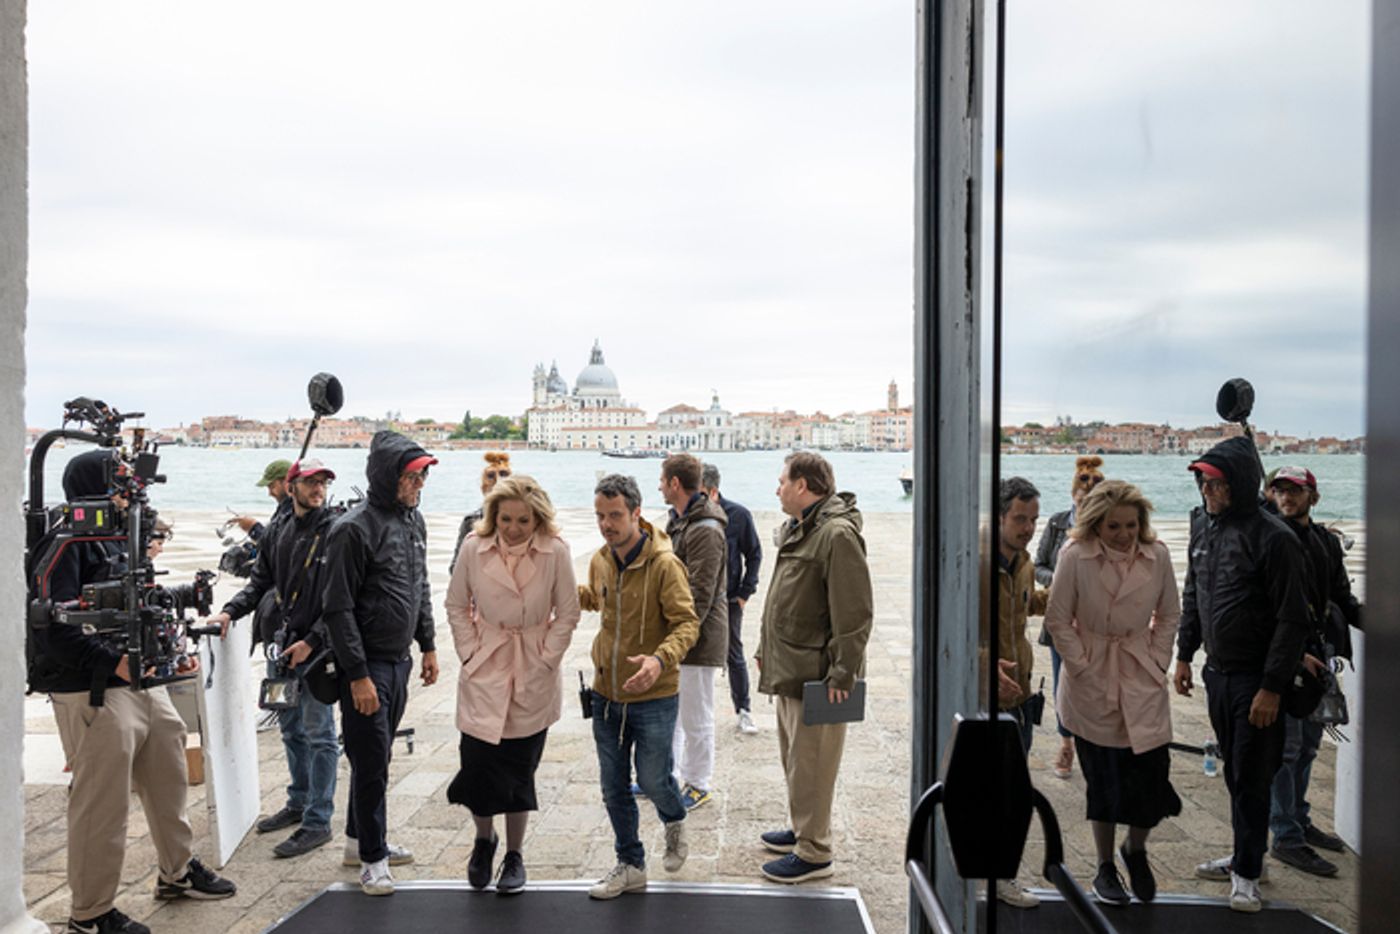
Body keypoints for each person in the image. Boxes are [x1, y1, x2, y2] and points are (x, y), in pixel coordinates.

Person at [29, 450, 236, 934]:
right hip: (91, 688)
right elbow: (50, 629)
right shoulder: (67, 542)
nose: (128, 496)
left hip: (135, 679)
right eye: (120, 486)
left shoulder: (117, 538)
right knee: (102, 805)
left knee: (169, 766)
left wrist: (167, 650)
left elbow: (139, 602)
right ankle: (90, 913)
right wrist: (112, 662)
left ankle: (177, 872)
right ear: (96, 489)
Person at [1173, 436, 1311, 913]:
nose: (1207, 490)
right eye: (1203, 482)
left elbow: (1293, 618)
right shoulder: (1204, 529)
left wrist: (1272, 686)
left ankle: (1248, 873)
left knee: (1252, 775)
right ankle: (1246, 856)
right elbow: (1195, 593)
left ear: (1238, 482)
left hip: (1256, 679)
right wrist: (1184, 653)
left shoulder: (1274, 538)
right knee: (1235, 771)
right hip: (1218, 673)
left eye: (1215, 483)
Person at [1044, 480, 1182, 907]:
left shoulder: (1158, 555)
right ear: (1096, 525)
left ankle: (1135, 848)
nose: (1124, 534)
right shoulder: (1075, 556)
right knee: (1102, 781)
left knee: (1152, 777)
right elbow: (1057, 618)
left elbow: (1170, 613)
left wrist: (1158, 659)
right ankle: (1105, 865)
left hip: (1140, 670)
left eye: (1131, 525)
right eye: (1113, 526)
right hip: (1094, 674)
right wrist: (1082, 665)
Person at [445, 475, 580, 894]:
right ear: (494, 516)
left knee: (520, 770)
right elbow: (456, 604)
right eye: (506, 519)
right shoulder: (474, 548)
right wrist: (469, 651)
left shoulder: (556, 551)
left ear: (537, 518)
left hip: (531, 666)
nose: (514, 528)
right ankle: (483, 840)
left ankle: (515, 854)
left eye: (524, 520)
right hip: (485, 663)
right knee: (477, 765)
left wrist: (545, 658)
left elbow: (568, 612)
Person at [322, 431, 441, 896]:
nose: (420, 484)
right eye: (413, 476)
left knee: (378, 755)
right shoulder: (353, 529)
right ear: (389, 476)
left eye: (423, 476)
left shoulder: (413, 522)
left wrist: (428, 643)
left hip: (398, 661)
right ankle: (373, 859)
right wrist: (357, 675)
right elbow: (338, 608)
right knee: (371, 762)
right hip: (367, 666)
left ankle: (359, 841)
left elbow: (419, 585)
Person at [205, 458, 341, 858]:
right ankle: (298, 801)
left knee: (320, 734)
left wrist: (313, 641)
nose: (318, 489)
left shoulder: (336, 530)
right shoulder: (279, 529)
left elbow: (343, 599)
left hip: (315, 652)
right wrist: (229, 611)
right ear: (291, 486)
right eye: (311, 482)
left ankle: (318, 820)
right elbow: (260, 582)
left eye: (323, 482)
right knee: (290, 727)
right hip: (280, 647)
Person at [578, 474, 700, 900]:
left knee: (652, 780)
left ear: (636, 514)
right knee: (613, 787)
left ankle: (675, 819)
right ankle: (630, 864)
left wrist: (659, 659)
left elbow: (687, 624)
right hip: (605, 694)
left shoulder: (665, 565)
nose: (606, 524)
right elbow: (596, 598)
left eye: (615, 516)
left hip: (654, 696)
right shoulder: (601, 559)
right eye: (600, 516)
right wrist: (558, 592)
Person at [756, 452, 872, 884]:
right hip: (791, 667)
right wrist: (765, 647)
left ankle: (814, 852)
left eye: (782, 481)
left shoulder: (836, 535)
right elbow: (784, 598)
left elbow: (854, 612)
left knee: (813, 766)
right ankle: (802, 828)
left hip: (817, 675)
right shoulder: (802, 527)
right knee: (796, 761)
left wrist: (843, 672)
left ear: (802, 485)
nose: (778, 489)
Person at [1261, 467, 1362, 876]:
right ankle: (1285, 835)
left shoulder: (1325, 542)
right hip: (1285, 657)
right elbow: (1261, 607)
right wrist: (1292, 654)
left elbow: (1341, 597)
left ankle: (1299, 820)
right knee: (1285, 750)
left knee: (1307, 746)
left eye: (1295, 491)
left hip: (1320, 653)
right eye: (1280, 490)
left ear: (1312, 497)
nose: (1287, 497)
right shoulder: (1269, 539)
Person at [991, 476, 1049, 908]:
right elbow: (954, 624)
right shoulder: (977, 562)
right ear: (998, 517)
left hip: (1021, 695)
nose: (1028, 528)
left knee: (1014, 792)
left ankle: (999, 871)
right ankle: (995, 873)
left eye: (1033, 519)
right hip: (985, 698)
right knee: (998, 792)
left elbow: (1024, 604)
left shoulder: (1024, 562)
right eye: (1020, 519)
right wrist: (983, 664)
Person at [658, 453, 728, 810]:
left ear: (675, 483)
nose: (659, 486)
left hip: (698, 638)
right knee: (673, 713)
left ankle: (698, 783)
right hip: (680, 634)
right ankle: (666, 776)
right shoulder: (684, 522)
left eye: (662, 480)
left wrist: (682, 637)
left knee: (696, 714)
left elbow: (701, 592)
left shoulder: (705, 529)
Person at [1035, 455, 1104, 780]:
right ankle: (1066, 743)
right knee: (1062, 682)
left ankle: (1093, 745)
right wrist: (1062, 582)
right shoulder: (1057, 523)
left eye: (1091, 502)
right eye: (1080, 500)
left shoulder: (1109, 527)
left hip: (1097, 622)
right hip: (1062, 619)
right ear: (1073, 496)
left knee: (1094, 684)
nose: (1085, 506)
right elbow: (1038, 565)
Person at [701, 463, 763, 735]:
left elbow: (754, 554)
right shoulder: (683, 516)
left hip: (728, 598)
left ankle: (744, 710)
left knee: (734, 653)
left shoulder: (738, 515)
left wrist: (745, 592)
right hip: (696, 598)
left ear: (713, 491)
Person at [450, 451, 512, 574]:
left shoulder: (523, 520)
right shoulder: (472, 521)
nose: (498, 481)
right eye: (491, 476)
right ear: (483, 488)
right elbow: (455, 568)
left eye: (503, 475)